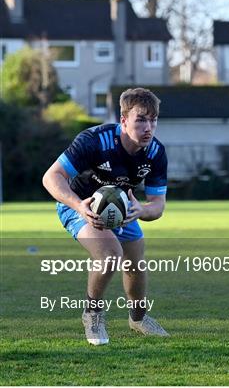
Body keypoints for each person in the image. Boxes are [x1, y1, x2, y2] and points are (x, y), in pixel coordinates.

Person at [43, 87, 169, 345]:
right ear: (123, 120)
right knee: (110, 255)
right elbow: (51, 177)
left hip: (122, 209)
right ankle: (93, 314)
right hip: (78, 204)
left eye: (153, 120)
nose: (149, 127)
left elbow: (158, 204)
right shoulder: (93, 140)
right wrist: (80, 206)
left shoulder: (156, 153)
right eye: (141, 119)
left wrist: (142, 210)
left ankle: (138, 318)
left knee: (136, 262)